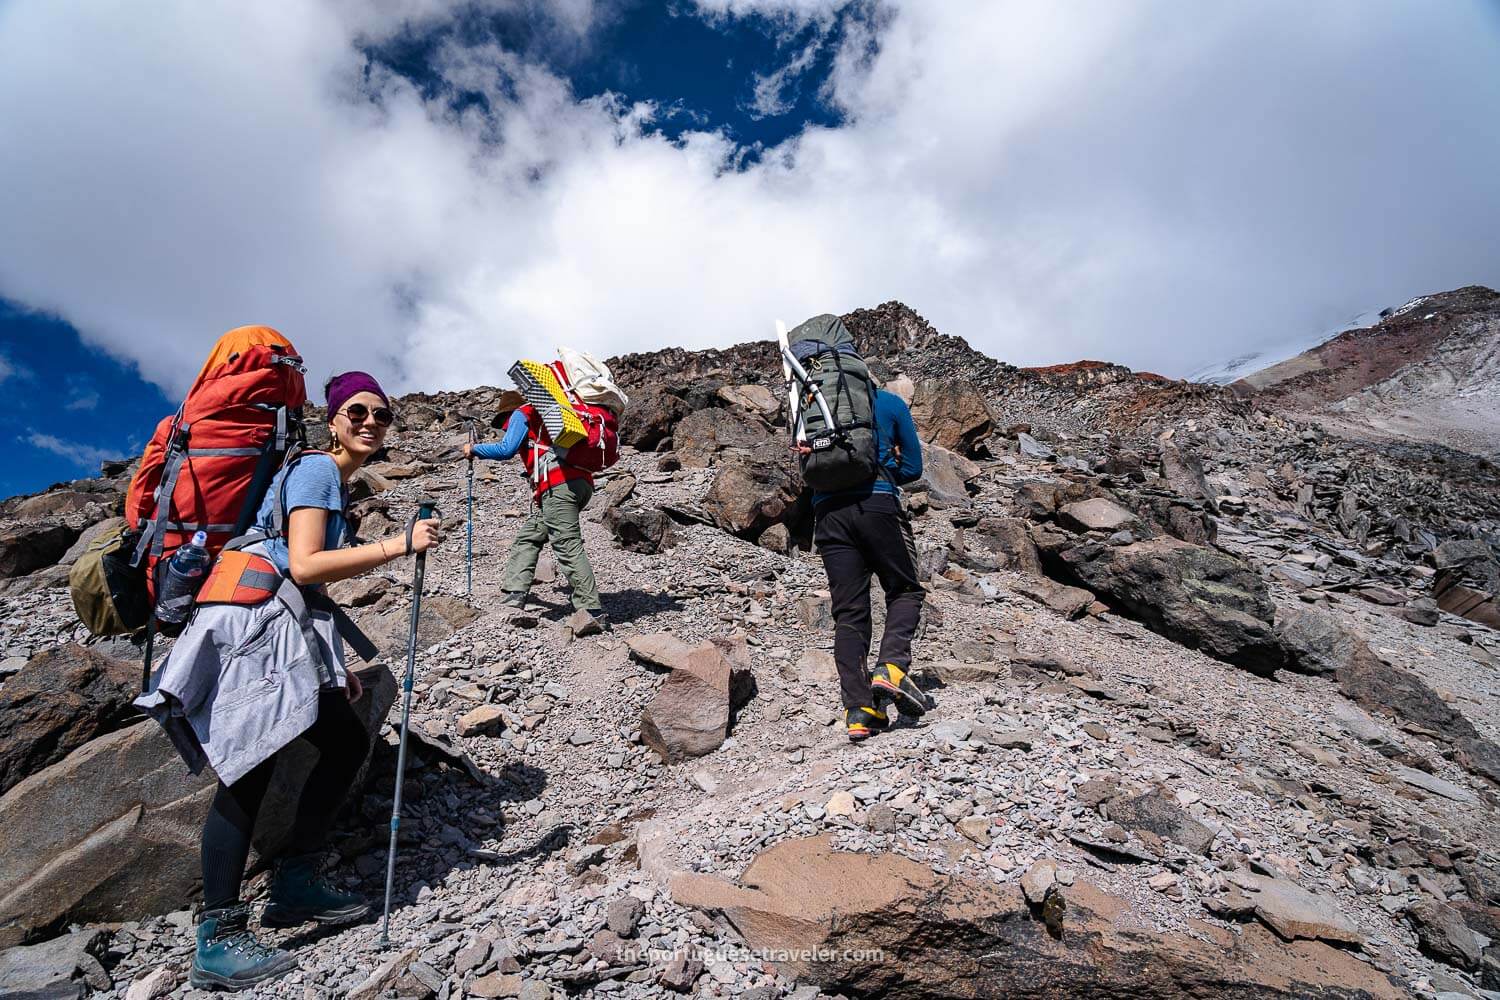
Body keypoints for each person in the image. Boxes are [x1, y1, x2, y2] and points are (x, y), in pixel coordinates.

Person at [137, 371, 442, 991]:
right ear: (332, 419)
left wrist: (332, 666)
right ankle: (218, 938)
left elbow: (306, 583)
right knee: (249, 769)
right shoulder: (316, 471)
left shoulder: (333, 484)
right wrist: (399, 545)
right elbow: (303, 564)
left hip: (274, 624)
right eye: (356, 410)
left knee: (343, 741)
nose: (369, 421)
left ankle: (295, 884)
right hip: (249, 627)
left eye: (381, 415)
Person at [799, 382, 930, 741]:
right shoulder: (888, 402)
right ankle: (890, 667)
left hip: (827, 515)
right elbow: (915, 467)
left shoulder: (809, 407)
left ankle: (859, 710)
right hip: (877, 503)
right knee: (904, 589)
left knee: (849, 612)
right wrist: (884, 471)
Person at [463, 393, 607, 632]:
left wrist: (474, 449)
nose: (504, 428)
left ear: (507, 414)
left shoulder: (523, 413)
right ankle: (514, 592)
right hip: (580, 484)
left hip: (558, 485)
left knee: (566, 543)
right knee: (529, 535)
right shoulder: (547, 419)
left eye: (502, 423)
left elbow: (505, 449)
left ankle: (590, 609)